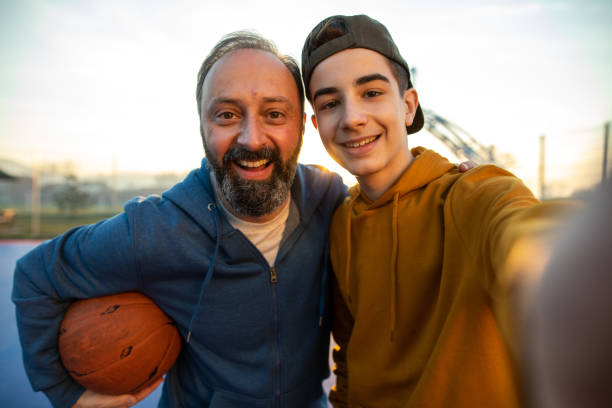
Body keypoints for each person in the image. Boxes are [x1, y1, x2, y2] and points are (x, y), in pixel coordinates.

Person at [12, 32, 347, 408]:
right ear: (203, 126)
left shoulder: (330, 201)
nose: (252, 139)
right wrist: (65, 394)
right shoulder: (154, 230)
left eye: (274, 114)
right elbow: (36, 275)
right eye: (227, 115)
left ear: (302, 126)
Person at [300, 14, 576, 407]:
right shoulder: (341, 221)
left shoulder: (471, 196)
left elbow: (534, 238)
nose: (352, 117)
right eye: (330, 103)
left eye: (372, 93)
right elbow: (348, 356)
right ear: (316, 124)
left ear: (408, 105)